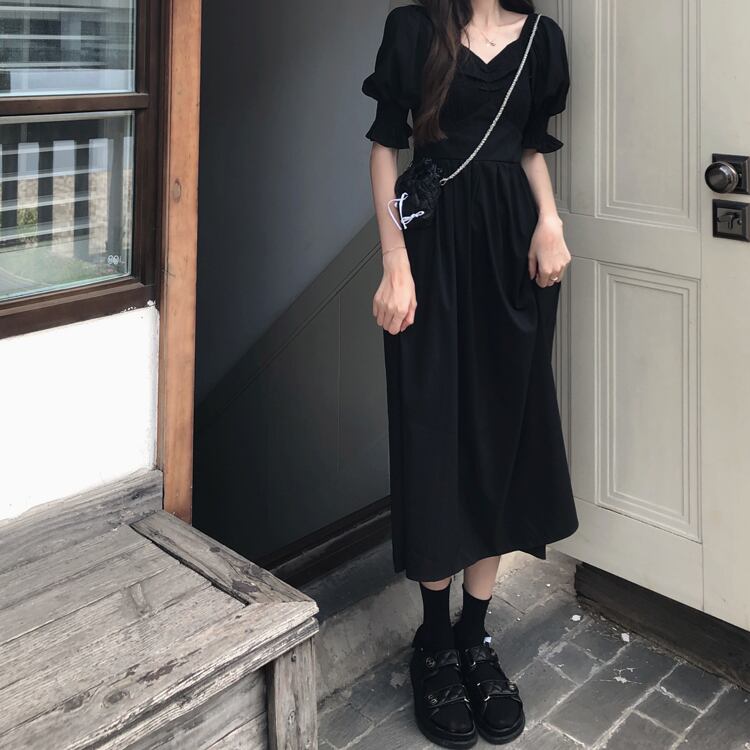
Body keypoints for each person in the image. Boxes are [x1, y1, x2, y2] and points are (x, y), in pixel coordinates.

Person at [362, 0, 579, 746]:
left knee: (500, 435)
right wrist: (394, 262)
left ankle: (475, 635)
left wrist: (549, 219)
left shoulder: (541, 41)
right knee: (433, 435)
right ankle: (433, 639)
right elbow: (385, 148)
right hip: (429, 253)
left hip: (511, 256)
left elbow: (529, 148)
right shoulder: (414, 29)